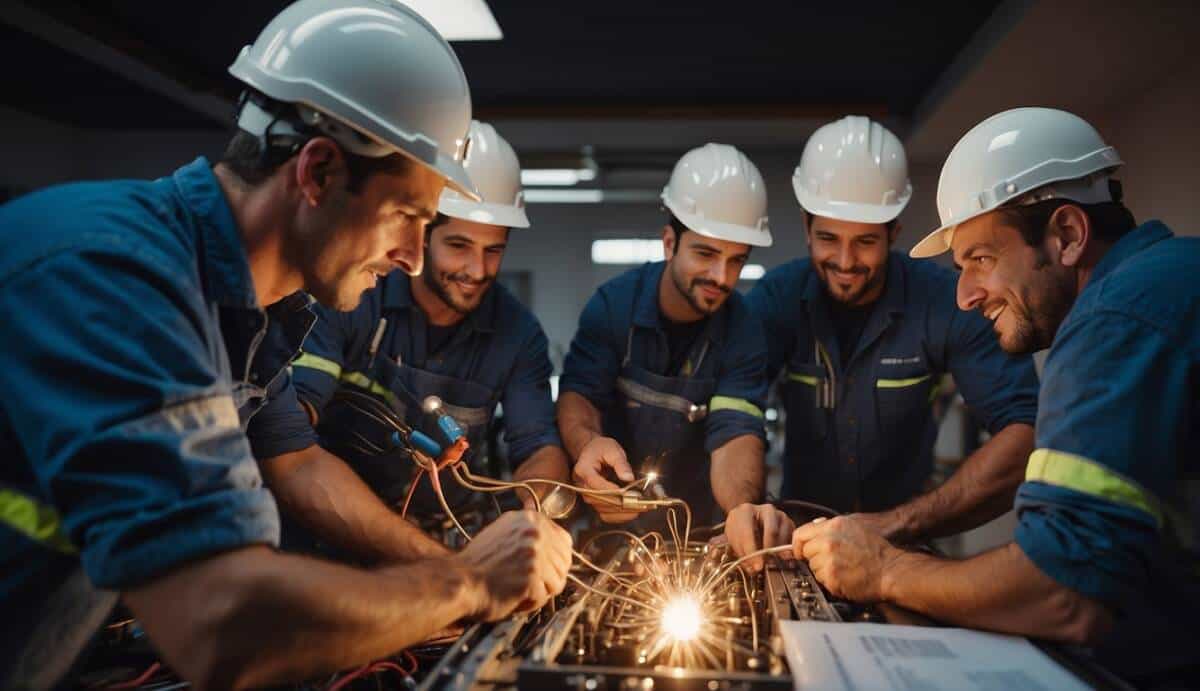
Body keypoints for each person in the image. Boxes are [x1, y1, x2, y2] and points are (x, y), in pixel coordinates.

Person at [0, 3, 569, 688]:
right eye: (406, 217)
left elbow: (297, 463)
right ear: (319, 171)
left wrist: (443, 564)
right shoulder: (116, 275)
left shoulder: (251, 311)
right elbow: (220, 623)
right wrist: (468, 582)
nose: (415, 259)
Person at [792, 107, 1199, 687]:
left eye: (981, 260)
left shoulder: (1115, 320)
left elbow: (1064, 591)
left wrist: (882, 569)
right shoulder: (1165, 282)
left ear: (1067, 235)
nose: (964, 296)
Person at [725, 116, 1039, 569]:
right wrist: (743, 506)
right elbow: (735, 410)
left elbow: (1025, 429)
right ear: (806, 226)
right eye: (828, 239)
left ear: (894, 232)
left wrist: (893, 526)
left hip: (908, 539)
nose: (846, 261)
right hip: (793, 542)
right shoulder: (776, 300)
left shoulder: (944, 301)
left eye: (866, 241)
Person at [291, 120, 570, 557]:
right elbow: (295, 418)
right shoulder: (357, 296)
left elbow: (536, 448)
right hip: (333, 530)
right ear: (422, 231)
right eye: (459, 245)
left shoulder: (519, 334)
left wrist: (540, 512)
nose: (477, 270)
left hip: (444, 537)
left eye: (493, 250)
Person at [558, 143, 772, 525]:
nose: (722, 278)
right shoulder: (613, 307)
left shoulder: (745, 329)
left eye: (736, 259)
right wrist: (589, 445)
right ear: (670, 242)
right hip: (610, 527)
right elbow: (579, 396)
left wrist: (741, 510)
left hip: (698, 533)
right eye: (706, 254)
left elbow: (735, 435)